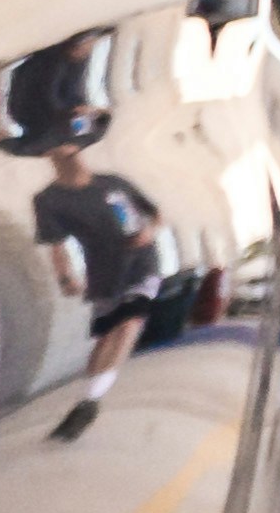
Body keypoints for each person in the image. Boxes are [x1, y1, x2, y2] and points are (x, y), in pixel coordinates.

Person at [32, 145, 177, 442]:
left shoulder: (113, 183)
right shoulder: (49, 199)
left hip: (142, 265)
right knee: (107, 337)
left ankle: (91, 400)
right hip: (105, 275)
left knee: (129, 325)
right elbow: (55, 243)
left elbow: (155, 215)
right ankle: (87, 398)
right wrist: (65, 276)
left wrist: (148, 232)